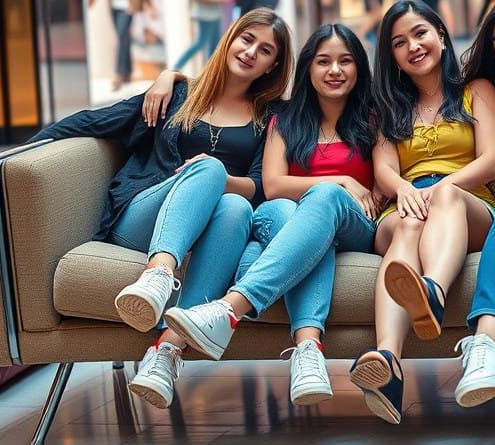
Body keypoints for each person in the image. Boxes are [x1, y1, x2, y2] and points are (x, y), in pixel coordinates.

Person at [33, 9, 293, 409]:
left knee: (237, 207)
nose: (250, 52)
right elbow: (98, 122)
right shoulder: (178, 95)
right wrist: (22, 154)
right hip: (142, 218)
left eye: (264, 50)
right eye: (246, 39)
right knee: (211, 169)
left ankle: (166, 351)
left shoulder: (269, 117)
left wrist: (215, 174)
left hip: (212, 227)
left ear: (273, 64)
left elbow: (259, 186)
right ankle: (158, 274)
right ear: (230, 38)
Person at [148, 24, 380, 407]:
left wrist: (343, 190)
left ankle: (228, 309)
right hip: (288, 220)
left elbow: (386, 179)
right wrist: (341, 179)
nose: (335, 70)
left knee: (321, 199)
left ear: (359, 69)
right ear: (307, 68)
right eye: (323, 61)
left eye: (345, 61)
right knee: (293, 211)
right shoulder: (286, 119)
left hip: (353, 224)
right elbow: (272, 186)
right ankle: (308, 354)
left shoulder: (373, 119)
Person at [349, 0, 495, 424]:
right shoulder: (388, 105)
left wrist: (441, 188)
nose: (414, 46)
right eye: (400, 43)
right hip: (407, 203)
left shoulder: (476, 90)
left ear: (440, 33)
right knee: (407, 226)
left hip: (468, 202)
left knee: (445, 200)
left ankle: (431, 290)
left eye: (420, 34)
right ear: (392, 55)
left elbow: (491, 160)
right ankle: (388, 361)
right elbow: (383, 168)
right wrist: (402, 190)